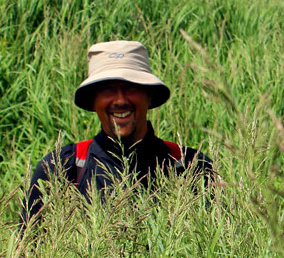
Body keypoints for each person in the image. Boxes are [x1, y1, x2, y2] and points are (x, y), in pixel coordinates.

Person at [21, 40, 213, 226]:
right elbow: (29, 247)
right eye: (107, 89)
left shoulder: (189, 165)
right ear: (93, 101)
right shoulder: (63, 167)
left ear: (149, 96)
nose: (120, 100)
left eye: (132, 87)